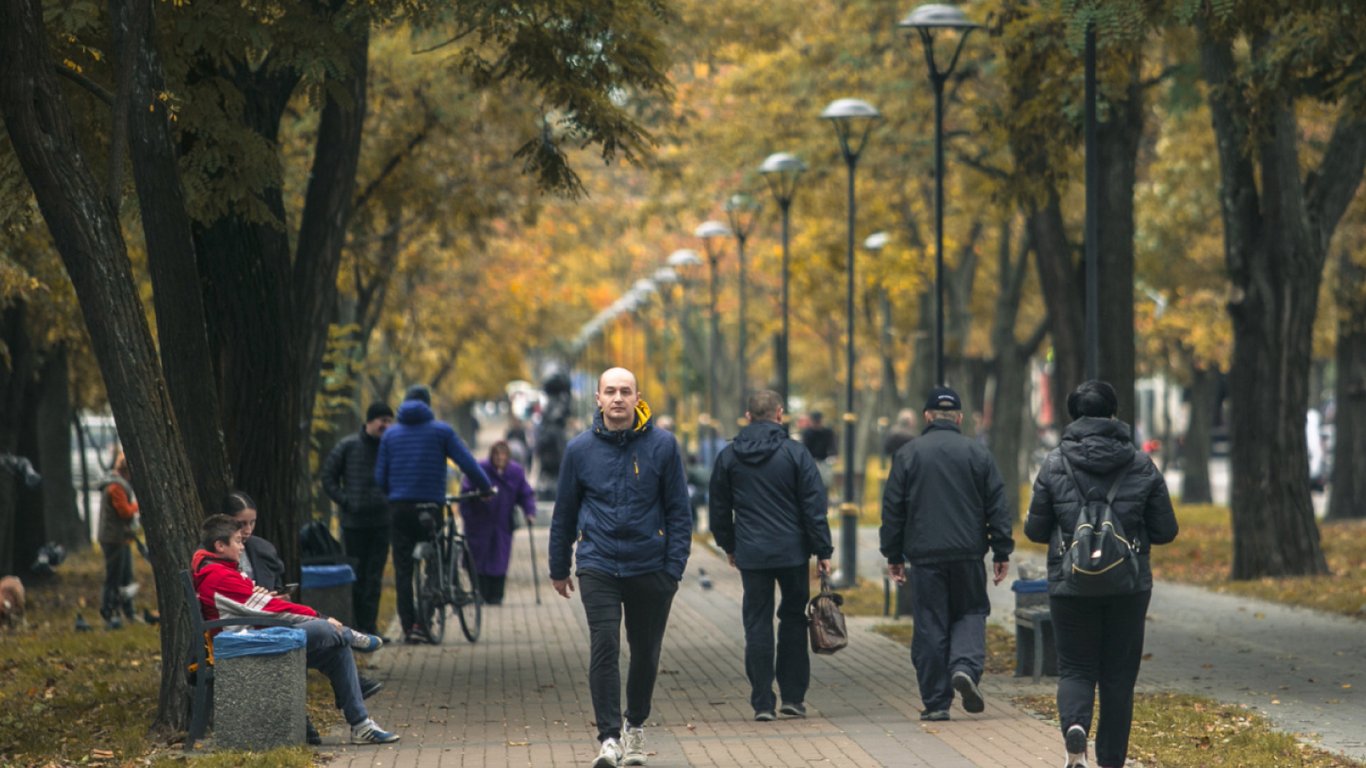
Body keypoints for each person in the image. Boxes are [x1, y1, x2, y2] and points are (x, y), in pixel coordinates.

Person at [1024, 380, 1178, 768]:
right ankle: (1111, 759)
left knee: (1075, 667)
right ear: (1114, 414)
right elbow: (1166, 531)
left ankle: (1076, 729)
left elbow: (1035, 530)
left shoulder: (1055, 463)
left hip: (1070, 582)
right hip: (1128, 585)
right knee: (1118, 676)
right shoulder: (1141, 464)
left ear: (1074, 416)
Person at [548, 367, 691, 768]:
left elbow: (680, 510)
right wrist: (559, 567)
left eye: (625, 391)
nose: (617, 398)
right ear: (597, 398)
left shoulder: (663, 446)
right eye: (609, 391)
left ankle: (636, 726)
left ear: (637, 397)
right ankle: (609, 738)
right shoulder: (579, 450)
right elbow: (564, 513)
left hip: (651, 566)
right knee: (605, 644)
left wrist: (674, 568)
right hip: (598, 564)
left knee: (645, 652)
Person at [191, 515, 399, 745]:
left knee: (336, 651)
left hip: (253, 638)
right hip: (244, 645)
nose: (242, 547)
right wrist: (322, 617)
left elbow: (252, 604)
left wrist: (257, 596)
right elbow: (271, 610)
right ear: (220, 546)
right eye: (237, 541)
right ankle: (351, 635)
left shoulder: (221, 570)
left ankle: (361, 726)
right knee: (323, 628)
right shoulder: (218, 576)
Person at [879, 386, 1014, 722]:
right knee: (970, 611)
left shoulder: (908, 454)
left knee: (929, 625)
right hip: (968, 552)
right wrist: (1001, 549)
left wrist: (893, 554)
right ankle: (965, 667)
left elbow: (893, 509)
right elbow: (997, 504)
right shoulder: (977, 453)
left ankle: (936, 702)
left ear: (927, 417)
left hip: (924, 556)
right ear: (960, 418)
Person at [708, 390, 833, 722]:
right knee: (793, 620)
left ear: (747, 417)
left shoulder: (729, 457)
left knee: (757, 623)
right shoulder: (795, 453)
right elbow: (813, 505)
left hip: (752, 553)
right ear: (780, 414)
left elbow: (719, 509)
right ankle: (793, 698)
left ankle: (763, 702)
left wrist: (729, 545)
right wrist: (823, 550)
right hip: (793, 552)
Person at [375, 384, 493, 644]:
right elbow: (466, 462)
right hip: (430, 506)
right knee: (435, 560)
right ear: (427, 405)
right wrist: (484, 487)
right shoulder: (441, 431)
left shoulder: (391, 435)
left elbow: (379, 477)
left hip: (400, 509)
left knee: (404, 569)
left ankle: (408, 626)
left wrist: (393, 493)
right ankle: (424, 618)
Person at [322, 401, 395, 637]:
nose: (386, 425)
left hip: (382, 522)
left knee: (374, 578)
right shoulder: (348, 445)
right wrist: (346, 501)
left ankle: (370, 628)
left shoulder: (390, 447)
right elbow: (328, 478)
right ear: (369, 422)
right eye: (382, 420)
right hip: (354, 524)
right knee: (356, 576)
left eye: (389, 420)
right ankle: (354, 629)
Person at [459, 441, 537, 605]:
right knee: (478, 557)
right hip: (479, 523)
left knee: (500, 557)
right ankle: (479, 592)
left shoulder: (515, 472)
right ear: (491, 455)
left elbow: (525, 493)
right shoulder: (480, 468)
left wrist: (530, 512)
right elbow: (465, 493)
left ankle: (496, 595)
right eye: (497, 454)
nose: (500, 458)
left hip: (502, 523)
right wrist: (467, 514)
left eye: (503, 454)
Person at [97, 453, 139, 629]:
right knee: (114, 577)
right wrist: (138, 505)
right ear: (126, 472)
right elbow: (125, 512)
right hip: (113, 539)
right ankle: (108, 611)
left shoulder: (117, 485)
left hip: (121, 538)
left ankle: (127, 611)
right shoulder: (116, 487)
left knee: (126, 577)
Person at [799, 411, 836, 494]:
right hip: (812, 461)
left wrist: (832, 456)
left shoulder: (827, 432)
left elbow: (832, 446)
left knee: (825, 482)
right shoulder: (808, 433)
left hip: (824, 460)